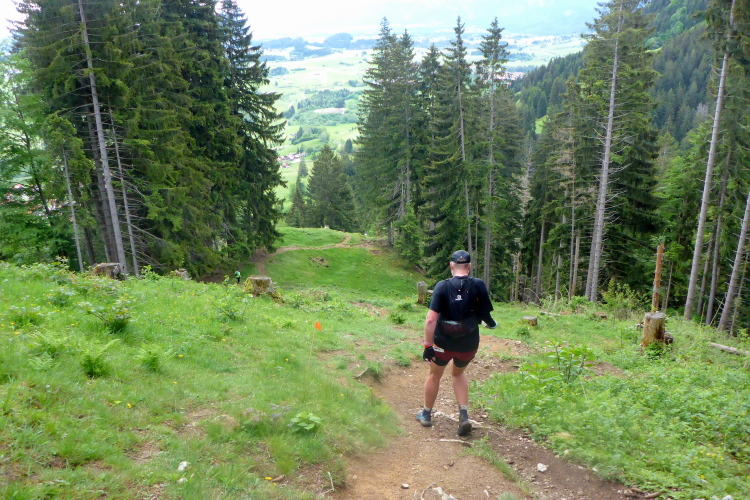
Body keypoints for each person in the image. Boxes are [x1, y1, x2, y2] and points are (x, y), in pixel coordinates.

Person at [416, 250, 497, 436]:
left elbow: (430, 320)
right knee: (458, 374)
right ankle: (464, 416)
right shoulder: (478, 285)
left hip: (442, 343)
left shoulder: (442, 286)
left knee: (434, 375)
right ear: (469, 267)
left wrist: (428, 345)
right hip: (468, 345)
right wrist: (492, 325)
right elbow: (486, 315)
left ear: (451, 265)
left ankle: (426, 414)